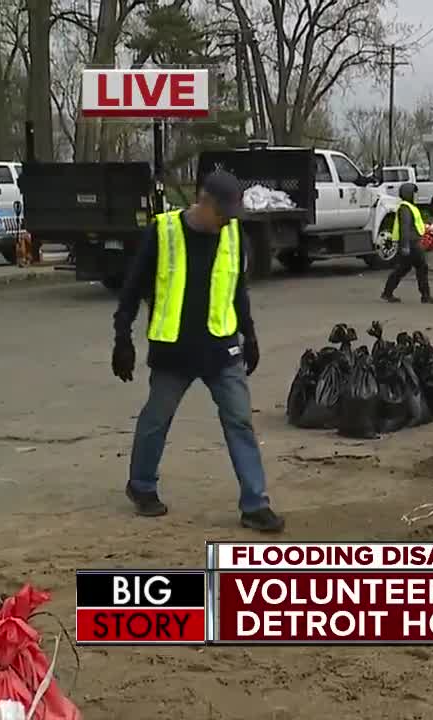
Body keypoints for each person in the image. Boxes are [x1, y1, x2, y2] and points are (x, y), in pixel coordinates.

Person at [112, 170, 283, 532]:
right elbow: (131, 288)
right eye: (222, 215)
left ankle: (255, 504)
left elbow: (238, 291)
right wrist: (122, 337)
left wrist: (249, 336)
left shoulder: (232, 234)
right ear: (204, 202)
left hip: (222, 348)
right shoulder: (163, 232)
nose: (226, 223)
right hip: (174, 350)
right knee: (156, 420)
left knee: (240, 421)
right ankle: (141, 486)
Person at [381, 183, 433, 304]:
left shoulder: (408, 207)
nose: (415, 195)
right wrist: (405, 246)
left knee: (403, 269)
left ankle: (387, 293)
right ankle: (425, 296)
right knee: (421, 267)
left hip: (411, 242)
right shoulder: (405, 208)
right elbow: (405, 227)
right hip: (412, 243)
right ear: (408, 194)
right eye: (413, 193)